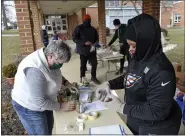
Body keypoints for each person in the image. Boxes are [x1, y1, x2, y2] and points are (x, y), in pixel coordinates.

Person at [96, 14, 182, 135]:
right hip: (136, 116)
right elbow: (132, 77)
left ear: (146, 41)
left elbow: (157, 111)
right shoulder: (139, 56)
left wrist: (122, 107)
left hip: (156, 127)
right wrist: (109, 84)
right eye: (129, 44)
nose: (130, 50)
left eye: (134, 45)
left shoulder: (162, 71)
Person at [11, 40, 78, 135]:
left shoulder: (48, 59)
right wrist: (61, 106)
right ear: (50, 55)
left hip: (44, 101)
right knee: (41, 133)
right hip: (29, 107)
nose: (60, 66)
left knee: (48, 129)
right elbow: (38, 101)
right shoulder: (35, 70)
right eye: (59, 63)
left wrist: (66, 83)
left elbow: (53, 74)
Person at [72, 14, 100, 85]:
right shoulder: (79, 28)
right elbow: (74, 38)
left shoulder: (93, 29)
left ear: (90, 20)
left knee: (94, 63)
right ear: (84, 20)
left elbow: (97, 38)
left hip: (92, 50)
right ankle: (82, 77)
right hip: (83, 50)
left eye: (89, 20)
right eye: (86, 20)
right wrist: (84, 43)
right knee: (83, 65)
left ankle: (93, 77)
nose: (87, 21)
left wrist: (95, 43)